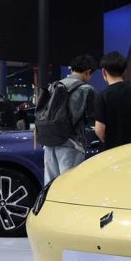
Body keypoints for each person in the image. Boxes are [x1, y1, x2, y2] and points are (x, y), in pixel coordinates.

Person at [37, 54, 96, 184]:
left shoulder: (54, 86)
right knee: (69, 184)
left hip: (49, 140)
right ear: (88, 72)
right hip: (71, 142)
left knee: (50, 184)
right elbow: (93, 118)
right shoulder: (86, 89)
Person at [94, 51, 131, 150]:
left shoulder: (102, 97)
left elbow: (99, 129)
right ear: (124, 71)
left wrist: (108, 141)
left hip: (115, 151)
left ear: (104, 71)